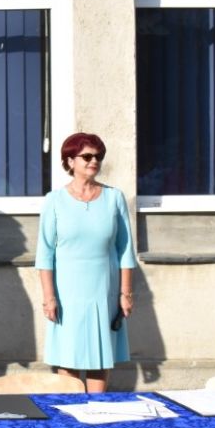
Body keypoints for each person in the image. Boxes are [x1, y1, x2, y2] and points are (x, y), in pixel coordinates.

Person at [36, 132, 137, 393]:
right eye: (87, 156)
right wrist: (49, 297)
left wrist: (125, 293)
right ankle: (71, 412)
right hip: (67, 293)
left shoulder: (114, 198)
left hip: (103, 290)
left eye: (98, 156)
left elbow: (125, 250)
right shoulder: (54, 200)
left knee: (100, 357)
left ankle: (97, 409)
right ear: (70, 161)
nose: (94, 161)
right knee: (68, 358)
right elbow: (45, 253)